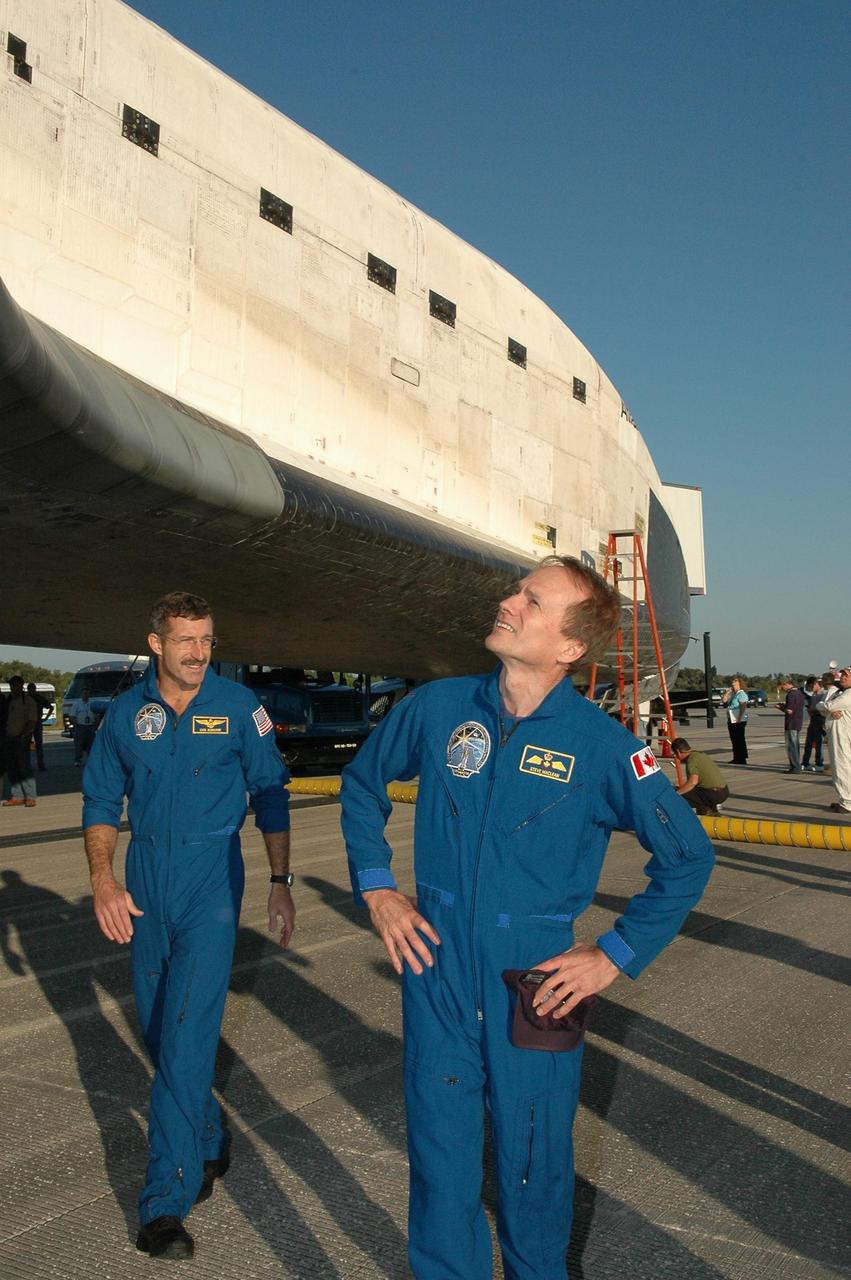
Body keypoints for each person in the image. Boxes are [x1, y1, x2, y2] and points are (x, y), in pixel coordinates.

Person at [340, 555, 715, 1280]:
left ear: (569, 647)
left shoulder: (606, 748)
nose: (508, 602)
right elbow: (361, 786)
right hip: (435, 967)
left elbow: (686, 858)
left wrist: (611, 955)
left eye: (530, 600)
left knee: (532, 1168)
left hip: (535, 981)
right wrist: (378, 887)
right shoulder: (437, 708)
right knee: (440, 1163)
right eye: (517, 591)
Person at [83, 591, 294, 1261]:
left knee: (181, 1036)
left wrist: (279, 883)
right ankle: (206, 1138)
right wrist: (103, 879)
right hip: (144, 883)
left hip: (211, 885)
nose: (200, 652)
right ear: (156, 644)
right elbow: (98, 798)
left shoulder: (238, 709)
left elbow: (270, 794)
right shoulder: (125, 713)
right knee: (157, 1030)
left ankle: (163, 1205)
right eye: (186, 640)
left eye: (206, 639)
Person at [816, 665, 851, 813]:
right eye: (842, 675)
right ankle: (844, 800)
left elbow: (828, 706)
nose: (842, 677)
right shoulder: (839, 693)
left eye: (846, 675)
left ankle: (847, 803)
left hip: (842, 735)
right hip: (836, 734)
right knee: (839, 767)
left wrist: (828, 709)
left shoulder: (848, 695)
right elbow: (821, 706)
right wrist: (828, 709)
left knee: (842, 767)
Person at [2, 675, 38, 807]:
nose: (12, 688)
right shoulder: (9, 700)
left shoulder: (28, 701)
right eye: (11, 685)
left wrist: (25, 736)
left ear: (20, 686)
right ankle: (17, 796)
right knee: (12, 768)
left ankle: (30, 796)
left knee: (24, 768)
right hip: (9, 738)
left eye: (14, 685)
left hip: (21, 739)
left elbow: (32, 720)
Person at [671, 738, 729, 814]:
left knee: (677, 796)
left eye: (674, 753)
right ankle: (711, 812)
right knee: (697, 795)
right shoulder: (700, 754)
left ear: (678, 751)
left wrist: (676, 794)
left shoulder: (691, 760)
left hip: (713, 794)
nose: (675, 756)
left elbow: (692, 782)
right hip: (724, 791)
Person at [776, 678, 805, 773]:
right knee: (795, 745)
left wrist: (780, 707)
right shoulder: (799, 693)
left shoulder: (791, 694)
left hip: (791, 723)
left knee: (791, 746)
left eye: (782, 685)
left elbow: (789, 711)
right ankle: (797, 766)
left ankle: (795, 767)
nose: (782, 688)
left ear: (788, 684)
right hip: (798, 722)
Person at [720, 675, 749, 764]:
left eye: (735, 684)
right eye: (732, 684)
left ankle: (741, 758)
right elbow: (724, 701)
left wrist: (739, 718)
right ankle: (736, 757)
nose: (733, 686)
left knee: (739, 739)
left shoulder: (741, 694)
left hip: (738, 720)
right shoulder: (734, 694)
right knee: (734, 739)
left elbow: (742, 707)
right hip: (731, 719)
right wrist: (728, 692)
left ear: (740, 685)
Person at [26, 682, 53, 771]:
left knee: (30, 745)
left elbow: (50, 707)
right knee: (36, 745)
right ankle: (39, 764)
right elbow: (50, 707)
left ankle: (32, 765)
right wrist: (45, 718)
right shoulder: (38, 698)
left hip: (32, 723)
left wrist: (45, 718)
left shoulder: (27, 699)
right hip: (34, 723)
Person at [801, 677, 826, 772]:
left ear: (816, 684)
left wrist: (814, 710)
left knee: (819, 743)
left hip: (820, 720)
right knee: (808, 742)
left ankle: (819, 763)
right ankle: (805, 762)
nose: (811, 688)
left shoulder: (824, 694)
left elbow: (825, 707)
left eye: (811, 686)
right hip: (813, 720)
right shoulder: (812, 695)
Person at [72, 688, 98, 766]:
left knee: (91, 745)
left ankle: (91, 761)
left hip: (90, 726)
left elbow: (97, 716)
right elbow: (72, 716)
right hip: (80, 726)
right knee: (79, 745)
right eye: (84, 693)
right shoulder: (77, 704)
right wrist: (76, 725)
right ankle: (77, 761)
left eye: (87, 693)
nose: (86, 695)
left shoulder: (92, 704)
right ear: (82, 694)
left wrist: (96, 725)